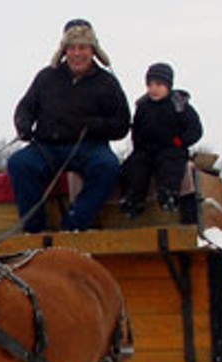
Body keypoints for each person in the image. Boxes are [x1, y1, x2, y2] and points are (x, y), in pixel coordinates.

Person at [8, 18, 131, 233]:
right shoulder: (47, 77)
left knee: (108, 167)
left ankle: (74, 225)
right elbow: (26, 107)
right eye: (71, 48)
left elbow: (122, 124)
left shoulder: (106, 82)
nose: (77, 53)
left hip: (90, 148)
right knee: (19, 163)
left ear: (92, 50)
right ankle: (34, 229)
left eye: (82, 47)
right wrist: (24, 125)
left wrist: (97, 125)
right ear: (64, 51)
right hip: (48, 146)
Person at [118, 62, 203, 218]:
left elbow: (195, 129)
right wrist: (138, 147)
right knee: (135, 167)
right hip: (146, 150)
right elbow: (137, 129)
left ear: (168, 85)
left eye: (158, 84)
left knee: (170, 165)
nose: (154, 89)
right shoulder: (143, 106)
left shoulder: (179, 104)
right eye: (150, 85)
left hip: (171, 147)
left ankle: (168, 194)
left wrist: (180, 142)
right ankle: (132, 200)